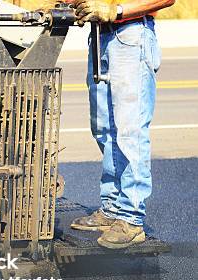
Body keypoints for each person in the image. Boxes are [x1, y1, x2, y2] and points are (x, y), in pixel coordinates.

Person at [69, 0, 176, 249]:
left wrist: (116, 11)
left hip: (131, 33)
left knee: (130, 132)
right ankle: (112, 208)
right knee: (104, 129)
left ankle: (131, 218)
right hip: (99, 37)